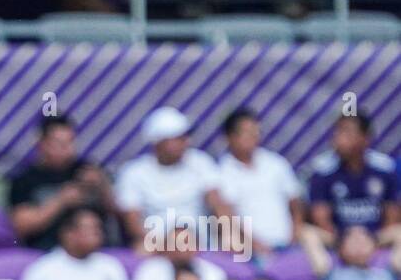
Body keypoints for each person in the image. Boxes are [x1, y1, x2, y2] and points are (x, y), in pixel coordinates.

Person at [116, 107, 233, 257]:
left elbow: (218, 204)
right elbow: (132, 221)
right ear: (158, 143)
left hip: (200, 242)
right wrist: (165, 247)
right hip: (156, 245)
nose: (186, 142)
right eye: (178, 138)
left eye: (185, 137)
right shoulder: (133, 172)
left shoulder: (200, 162)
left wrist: (229, 233)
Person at [8, 115, 119, 251]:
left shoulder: (86, 170)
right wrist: (61, 201)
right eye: (61, 144)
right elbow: (21, 227)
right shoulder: (25, 179)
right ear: (42, 145)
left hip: (98, 252)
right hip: (48, 251)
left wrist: (103, 186)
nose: (69, 149)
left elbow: (118, 213)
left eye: (71, 142)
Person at [216, 107, 304, 257]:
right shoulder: (221, 172)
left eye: (256, 132)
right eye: (247, 132)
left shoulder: (276, 163)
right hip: (251, 251)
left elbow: (295, 202)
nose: (253, 137)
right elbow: (226, 216)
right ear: (230, 137)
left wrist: (296, 232)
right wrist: (253, 244)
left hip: (289, 244)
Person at [307, 112, 400, 240]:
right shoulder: (322, 171)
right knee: (308, 234)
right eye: (337, 132)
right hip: (337, 241)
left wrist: (371, 242)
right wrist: (345, 243)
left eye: (346, 133)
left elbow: (392, 214)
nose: (338, 139)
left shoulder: (385, 168)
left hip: (377, 240)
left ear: (365, 138)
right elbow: (321, 218)